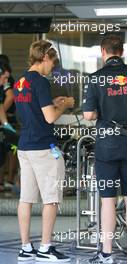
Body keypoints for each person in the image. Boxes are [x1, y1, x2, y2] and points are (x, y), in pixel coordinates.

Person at [82, 32, 127, 264]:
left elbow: (89, 115)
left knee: (107, 200)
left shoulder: (95, 78)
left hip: (107, 146)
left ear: (103, 52)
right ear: (122, 52)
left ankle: (107, 253)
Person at [14, 40, 75, 262]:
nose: (53, 66)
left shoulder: (19, 82)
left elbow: (33, 111)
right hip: (43, 148)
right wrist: (65, 104)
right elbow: (49, 117)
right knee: (50, 199)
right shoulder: (40, 82)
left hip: (25, 146)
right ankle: (45, 248)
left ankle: (26, 248)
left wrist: (53, 102)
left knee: (26, 198)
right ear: (45, 57)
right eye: (53, 61)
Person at [0, 55, 17, 189]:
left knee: (10, 149)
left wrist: (5, 123)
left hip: (8, 120)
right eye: (4, 78)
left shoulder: (4, 83)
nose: (6, 82)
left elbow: (1, 105)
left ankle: (8, 180)